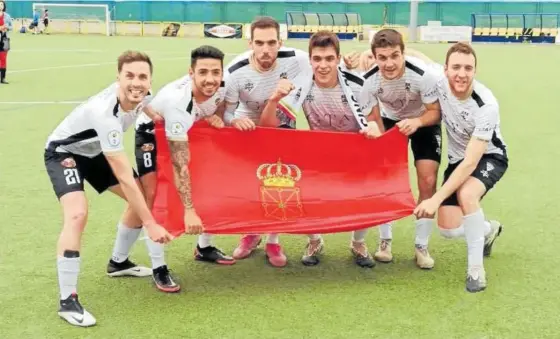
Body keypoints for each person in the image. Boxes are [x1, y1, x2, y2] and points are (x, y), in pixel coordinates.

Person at [44, 50, 172, 327]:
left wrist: (159, 117)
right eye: (129, 76)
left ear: (150, 80)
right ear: (118, 78)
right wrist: (150, 224)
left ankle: (119, 263)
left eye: (142, 77)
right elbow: (124, 175)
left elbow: (149, 108)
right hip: (63, 152)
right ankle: (68, 300)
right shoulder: (105, 114)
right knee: (78, 214)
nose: (136, 83)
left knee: (141, 197)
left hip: (93, 152)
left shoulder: (144, 93)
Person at [223, 17, 359, 267]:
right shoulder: (234, 70)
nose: (266, 49)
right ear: (250, 43)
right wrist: (233, 122)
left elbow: (324, 61)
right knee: (250, 182)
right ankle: (251, 233)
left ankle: (274, 240)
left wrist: (352, 64)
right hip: (248, 125)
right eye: (260, 43)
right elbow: (226, 111)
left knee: (279, 181)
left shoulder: (296, 58)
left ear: (280, 42)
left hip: (281, 121)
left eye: (271, 43)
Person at [259, 31, 381, 268]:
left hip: (354, 150)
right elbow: (268, 126)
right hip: (320, 152)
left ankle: (358, 243)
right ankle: (315, 241)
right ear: (311, 60)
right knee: (302, 192)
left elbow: (375, 122)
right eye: (317, 59)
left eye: (328, 59)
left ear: (338, 59)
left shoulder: (358, 84)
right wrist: (274, 99)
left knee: (364, 196)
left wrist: (374, 129)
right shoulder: (301, 85)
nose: (323, 65)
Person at [133, 45, 235, 293]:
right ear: (191, 73)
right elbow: (180, 166)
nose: (210, 79)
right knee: (154, 196)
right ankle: (159, 267)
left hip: (187, 130)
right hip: (151, 133)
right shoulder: (179, 103)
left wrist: (209, 117)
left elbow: (219, 107)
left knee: (210, 184)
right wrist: (189, 211)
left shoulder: (226, 83)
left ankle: (204, 247)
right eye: (203, 72)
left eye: (215, 72)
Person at [414, 42, 506, 293]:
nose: (461, 74)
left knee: (467, 195)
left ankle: (476, 271)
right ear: (445, 69)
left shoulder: (486, 106)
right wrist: (365, 55)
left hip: (489, 157)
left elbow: (471, 163)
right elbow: (415, 55)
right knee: (449, 230)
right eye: (456, 67)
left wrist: (435, 199)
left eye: (468, 68)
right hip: (457, 161)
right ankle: (489, 229)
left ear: (475, 71)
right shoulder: (439, 80)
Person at [361, 29, 442, 269]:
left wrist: (416, 122)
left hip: (423, 120)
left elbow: (435, 112)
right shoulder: (369, 81)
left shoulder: (423, 75)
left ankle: (421, 246)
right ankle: (385, 241)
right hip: (389, 120)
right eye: (383, 57)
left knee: (427, 180)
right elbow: (373, 117)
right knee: (384, 178)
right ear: (375, 57)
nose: (389, 63)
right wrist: (375, 130)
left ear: (403, 54)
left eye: (394, 56)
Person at [0, 0, 12, 84]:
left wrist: (6, 27)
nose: (0, 6)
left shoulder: (7, 16)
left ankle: (3, 78)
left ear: (4, 6)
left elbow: (11, 27)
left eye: (2, 4)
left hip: (4, 40)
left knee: (3, 59)